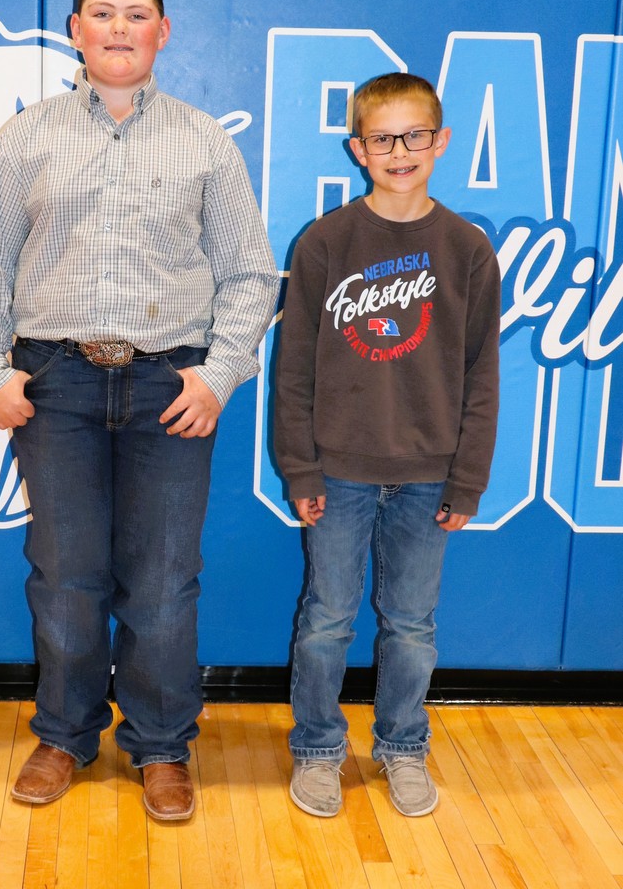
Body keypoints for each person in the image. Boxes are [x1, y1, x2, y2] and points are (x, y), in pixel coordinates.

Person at [0, 0, 278, 821]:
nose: (119, 28)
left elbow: (251, 276)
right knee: (63, 575)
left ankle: (162, 746)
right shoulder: (26, 138)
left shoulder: (204, 141)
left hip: (169, 390)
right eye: (102, 13)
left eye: (136, 14)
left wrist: (218, 376)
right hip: (53, 385)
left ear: (163, 32)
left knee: (165, 581)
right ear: (74, 31)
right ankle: (63, 734)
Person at [273, 73, 500, 818]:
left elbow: (480, 374)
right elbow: (294, 368)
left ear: (439, 142)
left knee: (410, 627)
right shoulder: (326, 242)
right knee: (327, 621)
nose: (398, 151)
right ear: (357, 148)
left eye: (414, 136)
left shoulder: (465, 249)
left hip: (428, 477)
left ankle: (402, 746)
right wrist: (299, 465)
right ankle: (316, 749)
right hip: (336, 471)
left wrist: (466, 480)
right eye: (382, 138)